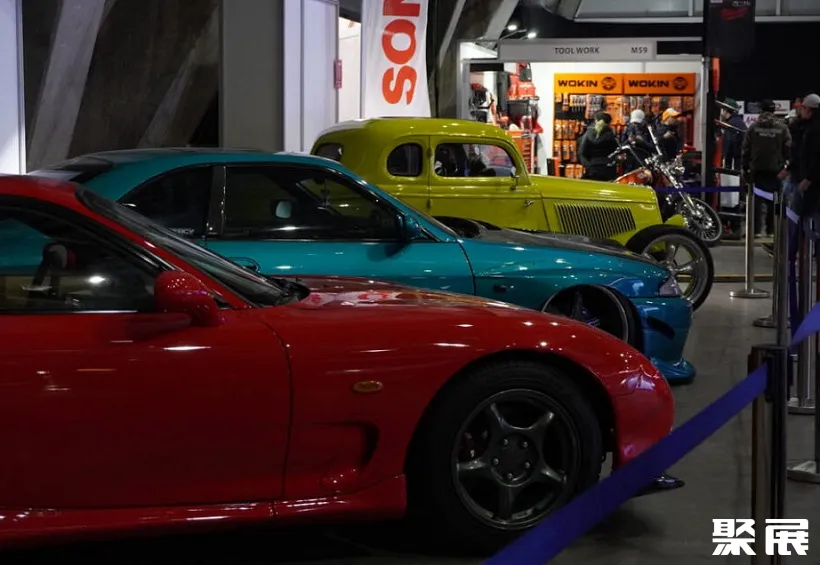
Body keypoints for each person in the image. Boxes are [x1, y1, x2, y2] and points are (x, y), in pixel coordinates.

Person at [741, 99, 792, 237]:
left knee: (756, 200)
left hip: (757, 169)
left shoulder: (753, 127)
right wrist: (787, 166)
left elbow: (746, 148)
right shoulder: (782, 128)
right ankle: (772, 230)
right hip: (776, 170)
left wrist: (745, 166)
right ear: (774, 110)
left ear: (761, 110)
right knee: (774, 200)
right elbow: (788, 149)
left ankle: (756, 230)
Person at [578, 112, 619, 181]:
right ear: (609, 123)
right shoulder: (611, 135)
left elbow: (581, 153)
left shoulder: (588, 134)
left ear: (596, 120)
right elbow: (616, 151)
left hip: (592, 167)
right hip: (608, 168)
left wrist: (588, 166)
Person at [798, 93, 820, 221]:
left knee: (811, 217)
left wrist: (808, 179)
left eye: (803, 108)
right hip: (812, 180)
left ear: (809, 110)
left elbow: (817, 156)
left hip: (814, 183)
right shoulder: (808, 127)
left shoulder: (814, 129)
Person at [719, 98, 747, 173]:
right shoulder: (737, 122)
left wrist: (726, 165)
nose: (721, 113)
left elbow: (729, 146)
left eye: (723, 110)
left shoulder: (732, 124)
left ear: (726, 110)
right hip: (738, 162)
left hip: (735, 165)